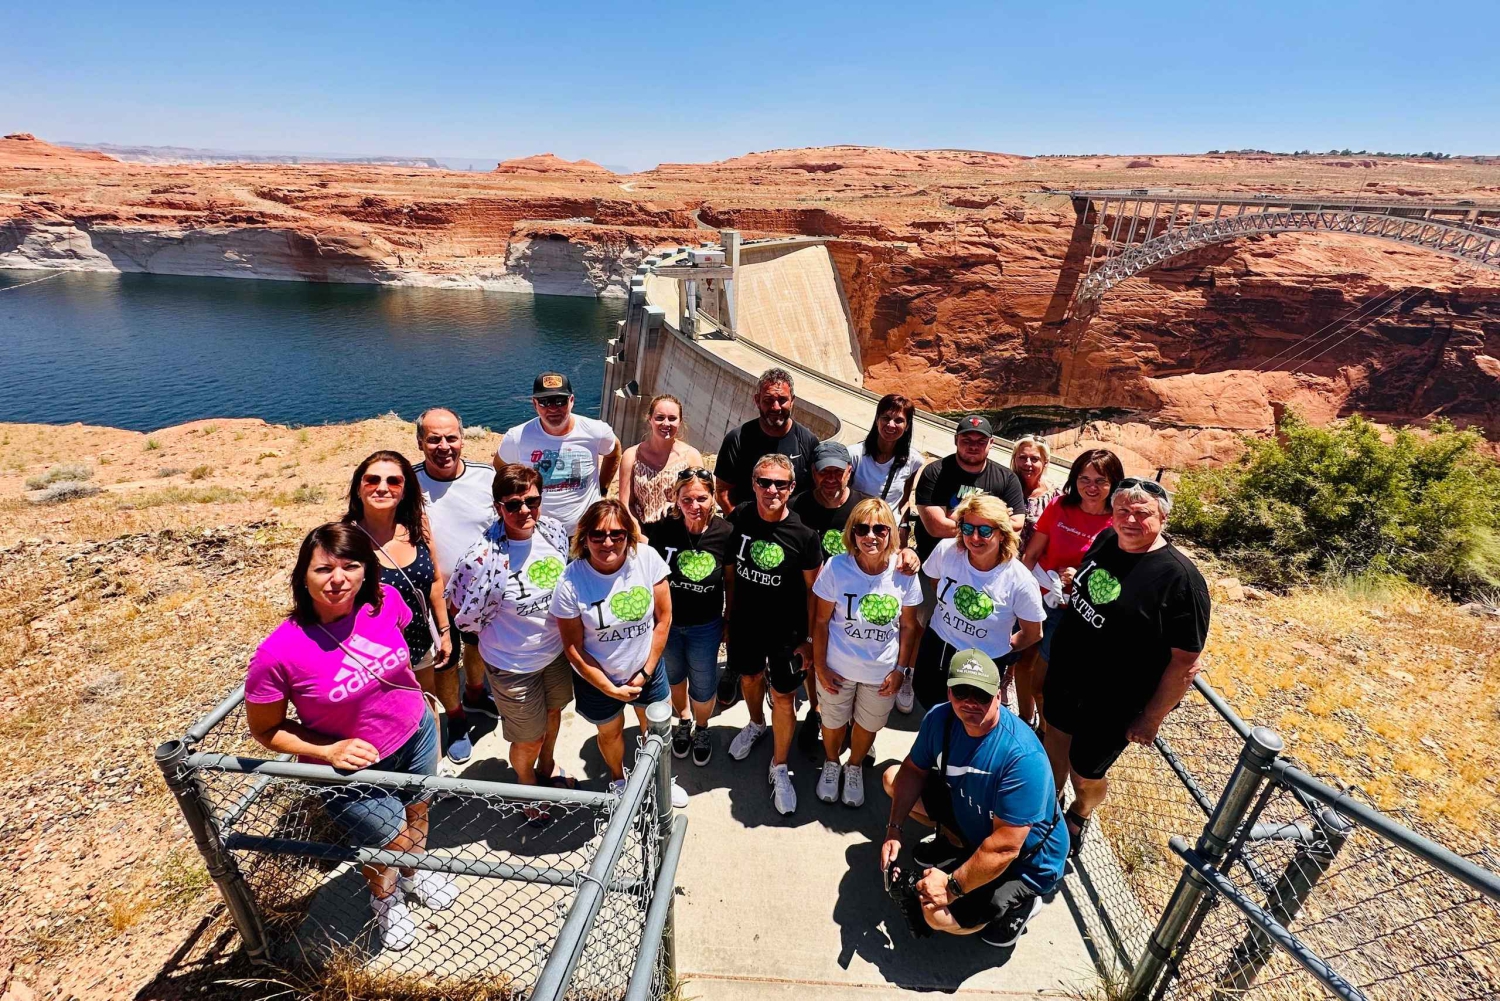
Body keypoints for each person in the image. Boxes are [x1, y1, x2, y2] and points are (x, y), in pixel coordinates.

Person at [245, 524, 456, 952]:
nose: (337, 579)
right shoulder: (279, 653)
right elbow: (265, 729)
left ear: (367, 572)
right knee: (387, 839)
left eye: (350, 566)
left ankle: (413, 873)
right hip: (352, 768)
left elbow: (405, 658)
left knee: (417, 812)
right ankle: (385, 899)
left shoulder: (385, 603)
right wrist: (327, 749)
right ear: (303, 575)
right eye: (323, 568)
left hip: (415, 733)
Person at [1042, 478, 1210, 859]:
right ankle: (1045, 809)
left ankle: (1080, 812)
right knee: (1055, 740)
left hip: (1114, 699)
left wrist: (1151, 718)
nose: (1130, 519)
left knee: (1086, 771)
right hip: (1068, 673)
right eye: (1123, 511)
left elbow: (1186, 662)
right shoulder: (1106, 540)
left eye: (1142, 513)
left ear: (1162, 518)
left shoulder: (1180, 580)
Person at [880, 649, 1067, 947]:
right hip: (977, 819)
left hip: (1026, 860)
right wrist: (894, 830)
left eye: (980, 694)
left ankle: (1022, 904)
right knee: (893, 778)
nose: (969, 702)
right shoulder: (940, 718)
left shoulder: (1022, 757)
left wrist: (951, 888)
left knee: (934, 914)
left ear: (998, 694)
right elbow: (913, 771)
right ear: (949, 692)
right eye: (961, 691)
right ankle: (956, 846)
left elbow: (1005, 847)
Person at [446, 464, 575, 812]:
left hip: (554, 654)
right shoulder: (480, 558)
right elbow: (459, 603)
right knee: (528, 737)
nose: (524, 511)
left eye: (532, 501)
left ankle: (547, 769)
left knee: (553, 714)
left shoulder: (553, 533)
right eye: (513, 504)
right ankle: (527, 787)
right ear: (498, 507)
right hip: (511, 664)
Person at [552, 499, 687, 808]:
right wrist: (607, 686)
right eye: (597, 535)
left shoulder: (648, 560)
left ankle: (660, 778)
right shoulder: (571, 581)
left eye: (617, 534)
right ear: (584, 537)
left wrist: (647, 670)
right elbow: (573, 648)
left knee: (654, 731)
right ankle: (618, 779)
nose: (608, 542)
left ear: (629, 535)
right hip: (598, 679)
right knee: (610, 734)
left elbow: (663, 619)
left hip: (647, 671)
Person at [792, 441, 921, 754]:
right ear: (814, 473)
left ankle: (858, 729)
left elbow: (890, 539)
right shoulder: (799, 506)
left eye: (839, 471)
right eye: (825, 472)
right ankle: (818, 713)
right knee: (814, 663)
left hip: (853, 595)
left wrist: (908, 552)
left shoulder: (864, 506)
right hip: (807, 594)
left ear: (850, 471)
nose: (832, 478)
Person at [722, 453, 823, 816]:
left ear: (792, 487)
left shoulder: (805, 536)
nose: (771, 490)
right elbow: (731, 575)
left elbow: (816, 592)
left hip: (787, 633)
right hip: (747, 625)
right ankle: (754, 724)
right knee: (749, 678)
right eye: (764, 482)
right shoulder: (740, 518)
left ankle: (779, 766)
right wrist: (729, 619)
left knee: (783, 696)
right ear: (753, 484)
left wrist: (809, 640)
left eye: (780, 483)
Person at [810, 498, 923, 807]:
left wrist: (901, 671)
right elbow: (820, 621)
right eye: (862, 528)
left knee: (868, 724)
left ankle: (855, 765)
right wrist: (820, 666)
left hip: (881, 672)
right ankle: (832, 762)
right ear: (852, 532)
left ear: (892, 533)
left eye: (879, 529)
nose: (870, 536)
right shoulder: (836, 567)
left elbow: (909, 627)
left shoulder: (903, 573)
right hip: (838, 666)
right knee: (832, 721)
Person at [414, 407, 498, 764]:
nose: (444, 446)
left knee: (477, 648)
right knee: (445, 661)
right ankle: (457, 720)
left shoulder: (486, 477)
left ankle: (477, 695)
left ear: (463, 439)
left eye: (451, 438)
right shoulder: (408, 482)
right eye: (434, 439)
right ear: (421, 443)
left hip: (481, 593)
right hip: (432, 595)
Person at [1016, 449, 1123, 728]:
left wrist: (1082, 579)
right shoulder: (1060, 506)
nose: (1091, 487)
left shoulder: (1118, 523)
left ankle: (1044, 728)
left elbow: (1118, 577)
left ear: (1114, 483)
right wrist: (1016, 593)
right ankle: (1023, 720)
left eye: (1100, 481)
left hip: (1074, 613)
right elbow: (1031, 554)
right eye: (1084, 478)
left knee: (1042, 681)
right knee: (1022, 663)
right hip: (1037, 597)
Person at [915, 494, 1044, 712]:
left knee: (969, 719)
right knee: (927, 700)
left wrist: (1002, 647)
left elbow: (1033, 633)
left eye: (985, 530)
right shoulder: (947, 551)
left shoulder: (1019, 580)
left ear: (1002, 534)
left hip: (981, 663)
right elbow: (936, 582)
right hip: (938, 646)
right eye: (967, 528)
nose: (975, 537)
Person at [643, 468, 735, 766]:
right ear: (676, 499)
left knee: (704, 681)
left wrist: (728, 619)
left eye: (702, 498)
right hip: (667, 624)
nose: (694, 506)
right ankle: (684, 720)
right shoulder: (663, 530)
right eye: (687, 499)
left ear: (713, 499)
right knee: (675, 676)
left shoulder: (725, 533)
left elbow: (731, 581)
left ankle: (703, 727)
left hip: (705, 625)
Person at [342, 450, 451, 683]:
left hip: (421, 644)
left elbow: (433, 580)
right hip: (374, 659)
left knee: (428, 710)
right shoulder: (345, 540)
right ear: (359, 488)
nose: (382, 488)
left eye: (394, 481)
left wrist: (444, 632)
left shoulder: (417, 525)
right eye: (372, 480)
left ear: (404, 492)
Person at [496, 372, 621, 535]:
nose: (553, 408)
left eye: (560, 401)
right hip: (538, 534)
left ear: (571, 401)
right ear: (535, 404)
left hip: (584, 533)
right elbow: (500, 466)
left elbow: (614, 452)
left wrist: (603, 489)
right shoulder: (517, 437)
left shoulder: (595, 431)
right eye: (544, 402)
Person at [714, 367, 823, 511]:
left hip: (790, 529)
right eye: (768, 400)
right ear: (757, 400)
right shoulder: (737, 439)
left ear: (792, 401)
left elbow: (814, 493)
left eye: (782, 400)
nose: (776, 407)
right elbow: (722, 491)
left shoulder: (808, 442)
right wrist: (738, 523)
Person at [618, 394, 704, 527]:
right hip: (642, 533)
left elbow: (700, 500)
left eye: (672, 418)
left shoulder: (691, 457)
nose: (666, 423)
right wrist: (643, 539)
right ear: (649, 419)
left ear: (680, 421)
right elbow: (626, 506)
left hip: (680, 533)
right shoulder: (632, 456)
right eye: (660, 418)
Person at [847, 394, 924, 516]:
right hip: (858, 527)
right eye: (886, 418)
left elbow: (904, 501)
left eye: (899, 420)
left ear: (907, 425)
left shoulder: (914, 460)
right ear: (877, 419)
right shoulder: (854, 455)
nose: (891, 425)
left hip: (888, 530)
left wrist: (904, 527)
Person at [1009, 435, 1058, 552]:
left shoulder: (1055, 496)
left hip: (1036, 564)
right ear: (1014, 458)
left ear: (1045, 462)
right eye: (1022, 457)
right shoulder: (1001, 487)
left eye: (1035, 459)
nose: (1028, 463)